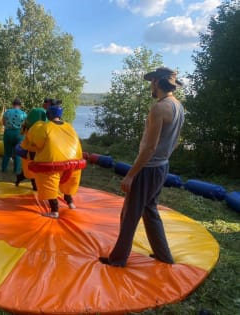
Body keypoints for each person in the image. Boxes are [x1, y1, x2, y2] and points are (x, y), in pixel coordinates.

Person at [99, 67, 185, 267]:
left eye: (151, 82)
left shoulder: (159, 108)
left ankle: (118, 259)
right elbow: (175, 141)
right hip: (162, 166)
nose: (150, 86)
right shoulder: (177, 106)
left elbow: (149, 148)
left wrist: (130, 175)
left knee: (129, 214)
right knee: (150, 210)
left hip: (149, 168)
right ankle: (164, 256)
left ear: (157, 82)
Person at [22, 99, 85, 218]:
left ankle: (54, 211)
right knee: (67, 183)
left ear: (48, 115)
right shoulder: (69, 127)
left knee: (48, 184)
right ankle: (70, 203)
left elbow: (38, 143)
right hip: (74, 162)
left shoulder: (45, 127)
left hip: (52, 162)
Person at [1, 98, 27, 174]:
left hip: (8, 133)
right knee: (18, 153)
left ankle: (4, 169)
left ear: (13, 104)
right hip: (19, 134)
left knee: (7, 152)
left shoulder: (7, 112)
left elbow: (3, 123)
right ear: (20, 105)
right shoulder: (24, 114)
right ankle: (16, 170)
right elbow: (25, 125)